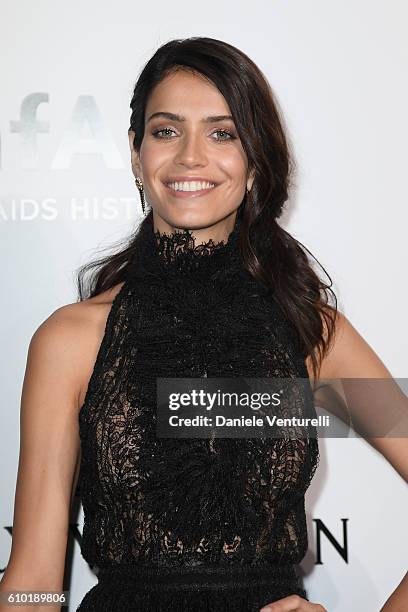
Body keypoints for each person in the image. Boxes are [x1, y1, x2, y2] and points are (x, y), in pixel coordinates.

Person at [0, 37, 407, 612]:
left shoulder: (311, 331)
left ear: (256, 159)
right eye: (167, 130)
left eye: (223, 133)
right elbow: (35, 579)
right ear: (136, 153)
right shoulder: (70, 341)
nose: (191, 156)